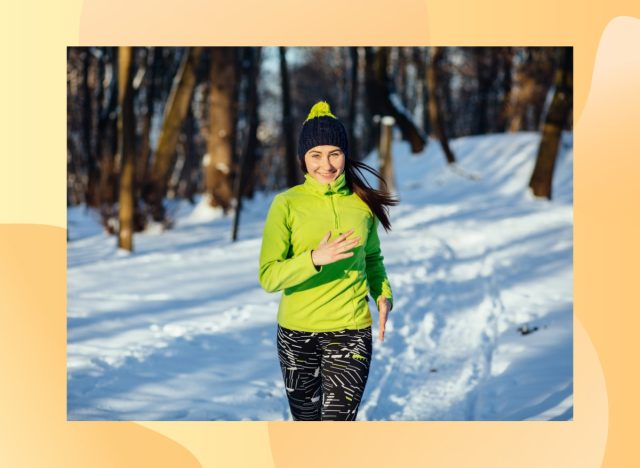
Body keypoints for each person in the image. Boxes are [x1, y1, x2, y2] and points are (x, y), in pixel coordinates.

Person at [258, 101, 398, 421]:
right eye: (315, 155)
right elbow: (269, 276)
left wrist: (383, 293)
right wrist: (314, 259)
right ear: (303, 159)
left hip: (350, 332)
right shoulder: (286, 205)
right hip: (296, 335)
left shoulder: (362, 204)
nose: (326, 164)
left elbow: (373, 258)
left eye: (334, 153)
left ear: (345, 154)